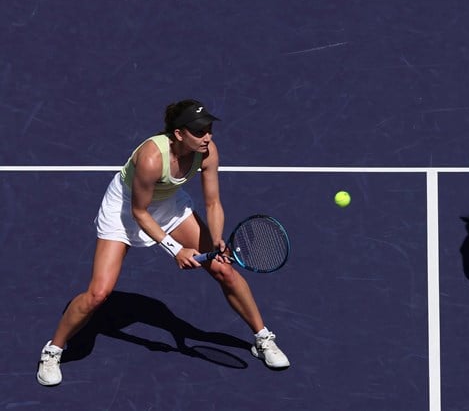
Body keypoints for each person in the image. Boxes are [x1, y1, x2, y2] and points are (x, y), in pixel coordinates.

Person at [37, 99, 290, 386]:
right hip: (124, 211)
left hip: (169, 206)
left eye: (208, 129)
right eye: (199, 131)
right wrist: (175, 249)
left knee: (223, 269)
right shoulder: (151, 158)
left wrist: (217, 238)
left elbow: (213, 201)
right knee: (98, 294)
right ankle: (53, 350)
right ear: (179, 134)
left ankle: (262, 339)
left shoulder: (207, 152)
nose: (207, 136)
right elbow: (139, 212)